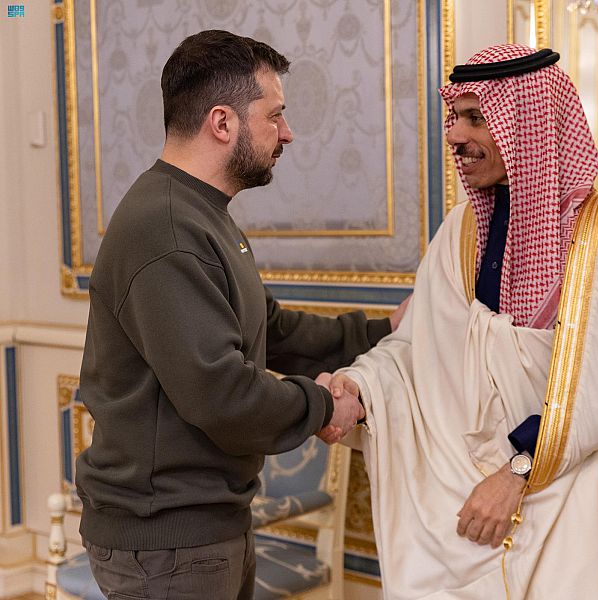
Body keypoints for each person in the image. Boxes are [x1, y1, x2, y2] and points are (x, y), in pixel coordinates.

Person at [323, 44, 598, 599]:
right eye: (454, 117)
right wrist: (361, 388)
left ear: (527, 126)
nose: (454, 135)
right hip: (470, 493)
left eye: (475, 118)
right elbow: (417, 351)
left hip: (580, 494)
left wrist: (517, 471)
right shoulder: (460, 231)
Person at [75, 30, 407, 600]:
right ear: (223, 123)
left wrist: (382, 332)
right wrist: (326, 405)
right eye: (274, 115)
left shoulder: (200, 212)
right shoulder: (167, 228)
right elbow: (222, 395)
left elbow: (271, 329)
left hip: (203, 530)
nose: (288, 132)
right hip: (167, 545)